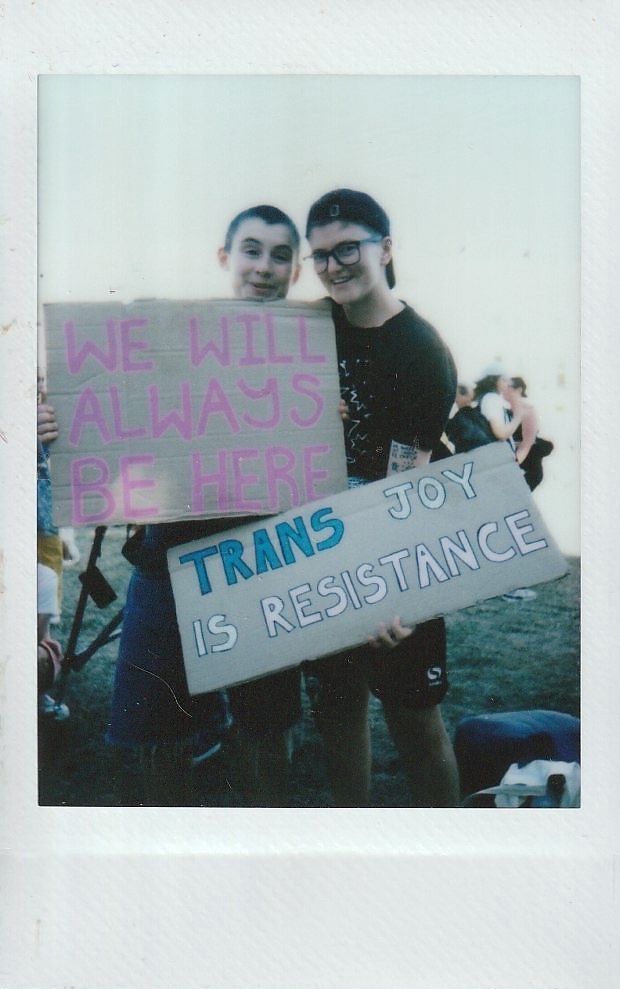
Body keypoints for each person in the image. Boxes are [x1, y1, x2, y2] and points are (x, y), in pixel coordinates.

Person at [106, 205, 306, 805]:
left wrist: (322, 417)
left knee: (264, 730)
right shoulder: (173, 339)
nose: (264, 267)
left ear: (296, 271)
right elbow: (114, 421)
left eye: (279, 255)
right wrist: (57, 423)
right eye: (251, 250)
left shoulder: (310, 352)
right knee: (151, 733)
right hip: (168, 560)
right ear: (225, 258)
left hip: (265, 564)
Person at [303, 188, 460, 807]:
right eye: (320, 255)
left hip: (395, 561)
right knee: (338, 721)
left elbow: (407, 488)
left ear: (386, 249)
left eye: (348, 248)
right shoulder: (307, 328)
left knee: (414, 725)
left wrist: (391, 594)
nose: (333, 265)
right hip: (318, 554)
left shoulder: (422, 350)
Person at [507, 376, 554, 491]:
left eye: (509, 388)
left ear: (518, 390)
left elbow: (529, 439)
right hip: (521, 459)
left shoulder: (526, 409)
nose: (505, 391)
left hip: (525, 460)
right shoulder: (509, 409)